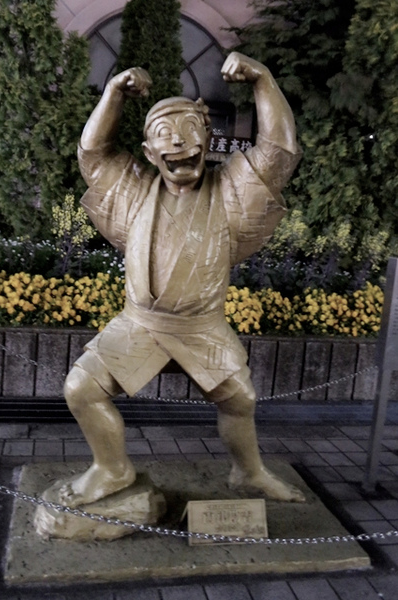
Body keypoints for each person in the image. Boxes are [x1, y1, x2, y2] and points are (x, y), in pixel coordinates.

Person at [59, 52, 304, 508]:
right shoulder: (133, 190)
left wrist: (263, 80)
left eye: (190, 131)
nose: (179, 142)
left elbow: (278, 153)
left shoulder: (230, 191)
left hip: (201, 327)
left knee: (240, 401)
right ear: (150, 154)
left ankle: (248, 472)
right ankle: (111, 469)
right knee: (80, 389)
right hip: (141, 324)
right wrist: (112, 93)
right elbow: (92, 155)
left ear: (208, 140)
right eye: (164, 136)